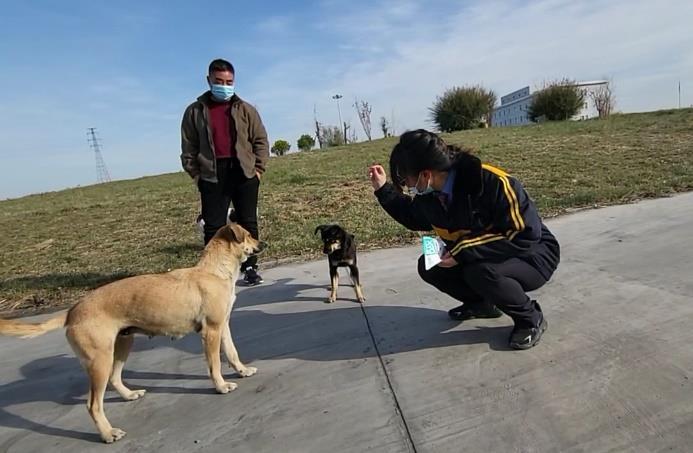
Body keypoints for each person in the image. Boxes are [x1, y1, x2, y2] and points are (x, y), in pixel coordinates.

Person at [367, 129, 560, 349]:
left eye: (406, 178)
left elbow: (524, 234)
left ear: (425, 174)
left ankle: (530, 318)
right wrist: (383, 189)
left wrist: (461, 251)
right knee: (429, 265)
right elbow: (413, 217)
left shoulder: (492, 183)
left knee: (480, 272)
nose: (407, 185)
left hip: (532, 256)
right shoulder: (430, 195)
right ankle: (482, 304)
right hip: (480, 255)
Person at [181, 58, 269, 285]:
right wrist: (196, 175)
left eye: (229, 81)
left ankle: (250, 268)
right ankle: (213, 274)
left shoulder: (246, 109)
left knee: (248, 221)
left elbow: (260, 140)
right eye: (219, 81)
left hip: (243, 172)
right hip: (212, 174)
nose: (224, 85)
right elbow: (188, 146)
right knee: (213, 225)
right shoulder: (195, 112)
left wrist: (258, 170)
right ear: (208, 80)